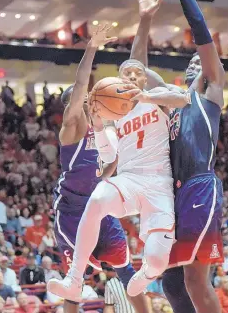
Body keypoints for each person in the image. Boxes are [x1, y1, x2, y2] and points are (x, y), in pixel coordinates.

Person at [127, 0, 226, 311]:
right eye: (190, 61)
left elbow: (201, 32)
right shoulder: (171, 102)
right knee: (171, 280)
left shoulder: (210, 94)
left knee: (195, 279)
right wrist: (144, 21)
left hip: (199, 185)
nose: (194, 62)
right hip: (171, 194)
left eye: (201, 59)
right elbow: (133, 72)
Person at [45, 25, 149, 313]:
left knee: (127, 270)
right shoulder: (72, 128)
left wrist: (106, 173)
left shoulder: (102, 127)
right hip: (72, 211)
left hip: (100, 206)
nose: (86, 99)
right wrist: (91, 49)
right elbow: (80, 87)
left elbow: (110, 161)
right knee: (74, 283)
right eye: (79, 101)